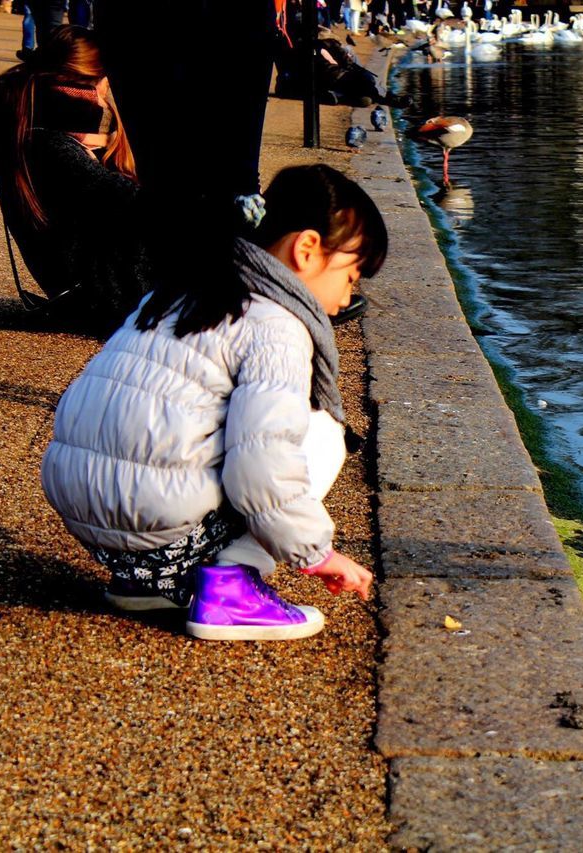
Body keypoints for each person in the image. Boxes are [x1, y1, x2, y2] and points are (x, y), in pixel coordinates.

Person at [40, 164, 386, 641]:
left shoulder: (185, 288)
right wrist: (315, 552)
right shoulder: (277, 326)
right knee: (324, 432)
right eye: (351, 275)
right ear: (307, 250)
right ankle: (230, 589)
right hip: (156, 523)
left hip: (82, 508)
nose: (348, 298)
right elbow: (262, 463)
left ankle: (150, 584)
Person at [0, 24, 148, 334]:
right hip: (111, 296)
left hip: (98, 289)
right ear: (91, 84)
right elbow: (143, 206)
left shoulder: (33, 137)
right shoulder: (51, 149)